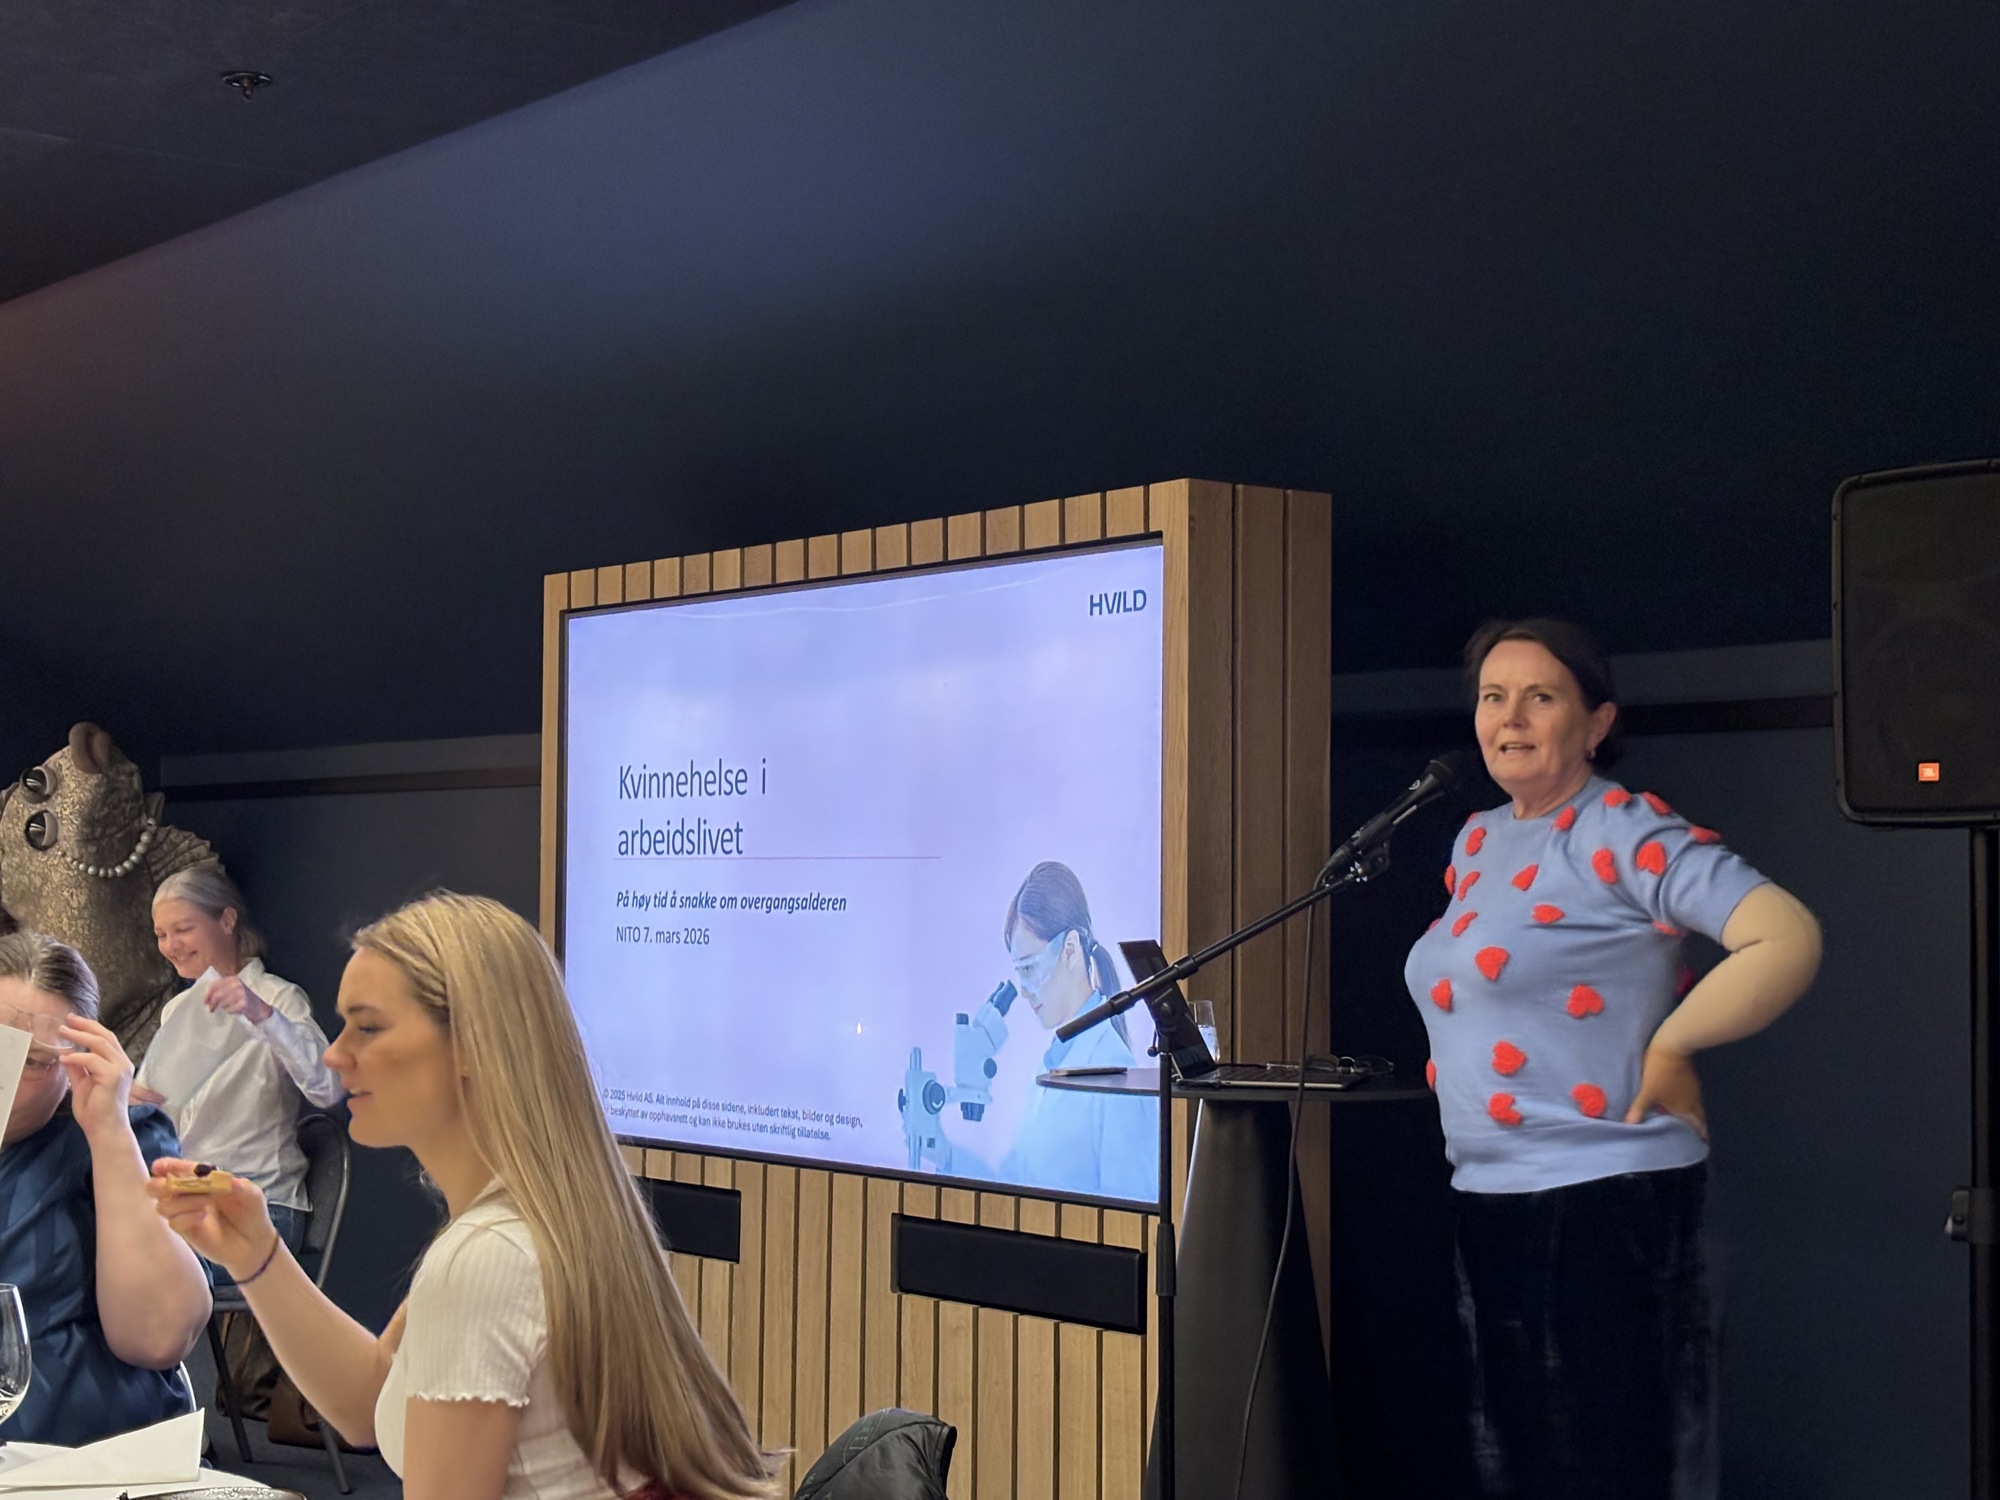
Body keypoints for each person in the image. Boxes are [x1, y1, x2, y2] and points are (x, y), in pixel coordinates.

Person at [151, 892, 780, 1500]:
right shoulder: (526, 1222)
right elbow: (373, 1401)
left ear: (474, 1045)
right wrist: (256, 1253)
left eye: (368, 1027)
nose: (337, 1055)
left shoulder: (486, 1259)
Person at [1406, 618, 1822, 1498]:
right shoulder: (1477, 839)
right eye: (1493, 696)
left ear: (1596, 723)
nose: (1511, 717)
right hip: (1490, 1199)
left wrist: (1675, 1042)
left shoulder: (1623, 828)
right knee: (1513, 1468)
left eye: (1541, 696)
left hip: (1610, 1206)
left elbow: (1783, 935)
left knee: (1616, 1472)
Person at [0, 930, 212, 1443]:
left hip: (81, 1456)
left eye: (33, 1061)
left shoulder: (124, 1137)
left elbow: (159, 1337)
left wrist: (109, 1130)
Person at [136, 864, 344, 1267]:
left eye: (183, 929)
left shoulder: (278, 998)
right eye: (161, 935)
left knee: (144, 1271)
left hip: (262, 1208)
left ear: (227, 920)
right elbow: (161, 1114)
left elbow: (328, 1088)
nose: (171, 945)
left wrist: (262, 1015)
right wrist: (132, 1102)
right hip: (194, 1198)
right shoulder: (178, 1010)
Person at [929, 862, 1156, 1202]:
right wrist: (944, 1153)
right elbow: (1017, 1186)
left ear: (1070, 950)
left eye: (1029, 967)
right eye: (1018, 971)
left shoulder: (1114, 1073)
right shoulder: (1053, 1063)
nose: (1023, 990)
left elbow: (1132, 1214)